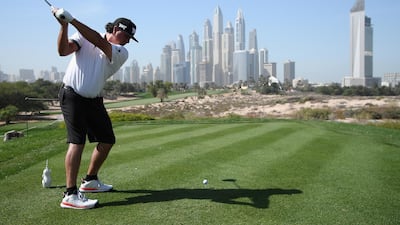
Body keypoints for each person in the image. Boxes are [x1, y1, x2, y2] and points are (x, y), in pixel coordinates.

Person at [52, 7, 138, 209]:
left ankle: (90, 181)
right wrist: (64, 26)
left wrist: (72, 20)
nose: (127, 41)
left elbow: (100, 43)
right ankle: (70, 194)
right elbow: (63, 51)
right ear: (116, 29)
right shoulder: (82, 36)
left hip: (94, 100)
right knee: (77, 142)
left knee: (107, 139)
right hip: (72, 95)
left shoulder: (121, 52)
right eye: (126, 36)